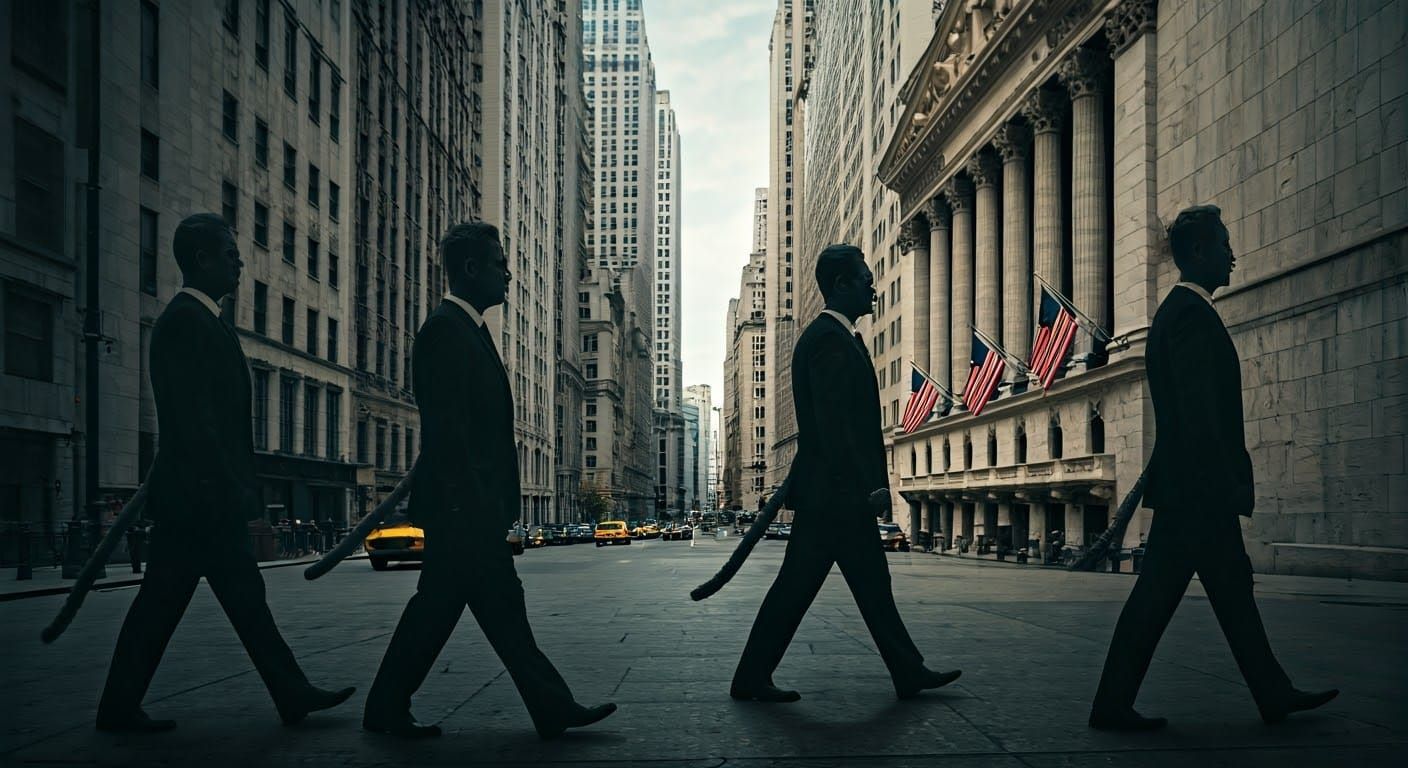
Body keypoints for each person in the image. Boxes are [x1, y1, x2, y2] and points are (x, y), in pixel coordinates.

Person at [97, 214, 354, 732]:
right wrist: (233, 495)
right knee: (177, 604)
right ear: (202, 260)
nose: (239, 262)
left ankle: (288, 691)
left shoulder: (206, 322)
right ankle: (123, 706)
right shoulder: (185, 323)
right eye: (231, 255)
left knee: (213, 602)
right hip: (200, 501)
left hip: (199, 500)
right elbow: (196, 423)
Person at [1088, 205, 1338, 731]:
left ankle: (1269, 693)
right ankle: (1117, 704)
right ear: (1198, 251)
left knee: (1217, 594)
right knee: (1178, 597)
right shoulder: (1188, 317)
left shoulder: (1183, 315)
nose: (1233, 255)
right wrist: (1222, 490)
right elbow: (1200, 415)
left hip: (1190, 490)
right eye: (1225, 244)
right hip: (1197, 493)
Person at [362, 222, 616, 739]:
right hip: (463, 509)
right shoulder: (444, 332)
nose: (508, 273)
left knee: (460, 609)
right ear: (472, 269)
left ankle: (390, 706)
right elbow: (449, 432)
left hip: (470, 508)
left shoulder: (467, 330)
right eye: (500, 263)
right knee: (480, 609)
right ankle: (549, 707)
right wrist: (475, 505)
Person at [730, 244, 962, 703]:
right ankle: (754, 677)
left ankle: (906, 670)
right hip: (834, 496)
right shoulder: (827, 342)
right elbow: (837, 427)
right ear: (841, 284)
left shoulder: (837, 339)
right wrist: (869, 486)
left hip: (829, 496)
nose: (873, 287)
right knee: (808, 588)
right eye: (865, 279)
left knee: (857, 585)